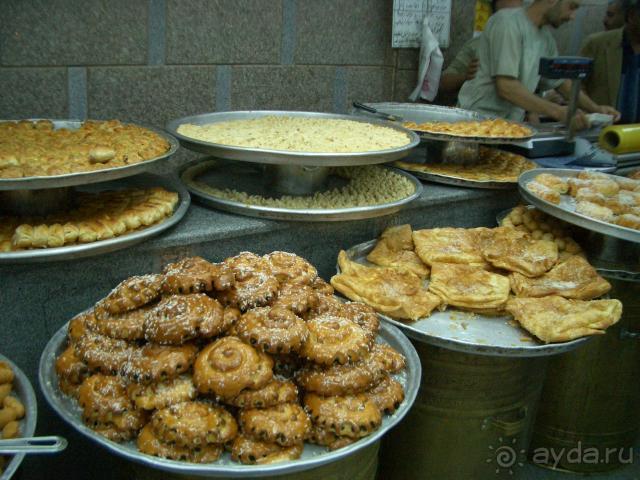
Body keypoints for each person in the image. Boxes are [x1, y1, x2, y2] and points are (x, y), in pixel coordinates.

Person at [458, 0, 620, 130]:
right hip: (475, 124)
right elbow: (506, 87)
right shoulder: (507, 23)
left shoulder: (545, 39)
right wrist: (558, 111)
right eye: (572, 7)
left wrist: (596, 109)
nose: (572, 16)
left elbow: (562, 83)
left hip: (507, 127)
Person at [439, 0, 524, 96]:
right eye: (504, 16)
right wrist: (465, 77)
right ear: (493, 16)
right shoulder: (477, 44)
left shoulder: (529, 48)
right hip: (475, 107)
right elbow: (444, 82)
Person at [581, 0, 640, 123]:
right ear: (631, 16)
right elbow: (576, 87)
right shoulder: (597, 44)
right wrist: (591, 110)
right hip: (600, 133)